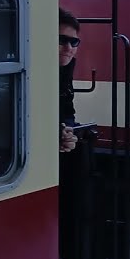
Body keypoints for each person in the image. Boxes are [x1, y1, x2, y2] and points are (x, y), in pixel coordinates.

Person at [59, 8, 81, 152]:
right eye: (61, 40)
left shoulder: (66, 67)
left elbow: (67, 109)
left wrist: (68, 130)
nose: (69, 48)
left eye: (74, 42)